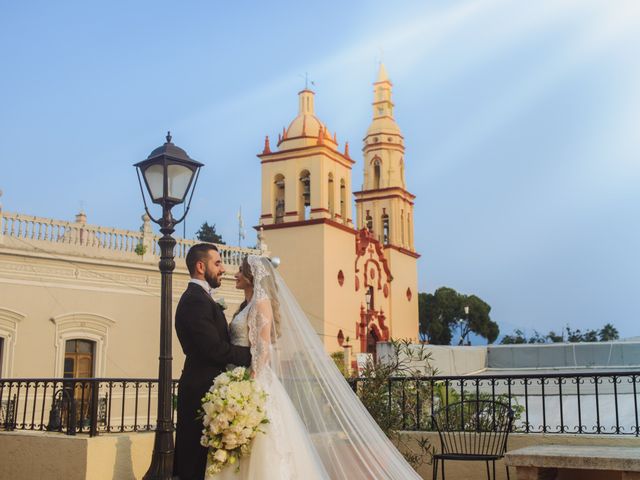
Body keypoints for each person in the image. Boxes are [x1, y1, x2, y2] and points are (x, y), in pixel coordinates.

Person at [208, 254, 422, 479]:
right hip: (241, 378)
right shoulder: (248, 304)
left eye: (240, 270)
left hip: (254, 381)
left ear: (252, 276)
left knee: (261, 441)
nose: (236, 274)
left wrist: (251, 383)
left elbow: (262, 350)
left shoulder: (261, 303)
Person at [173, 243, 252, 480]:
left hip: (211, 389)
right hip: (200, 390)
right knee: (194, 461)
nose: (223, 269)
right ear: (200, 266)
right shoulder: (195, 300)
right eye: (217, 263)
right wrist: (250, 356)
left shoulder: (202, 298)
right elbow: (213, 349)